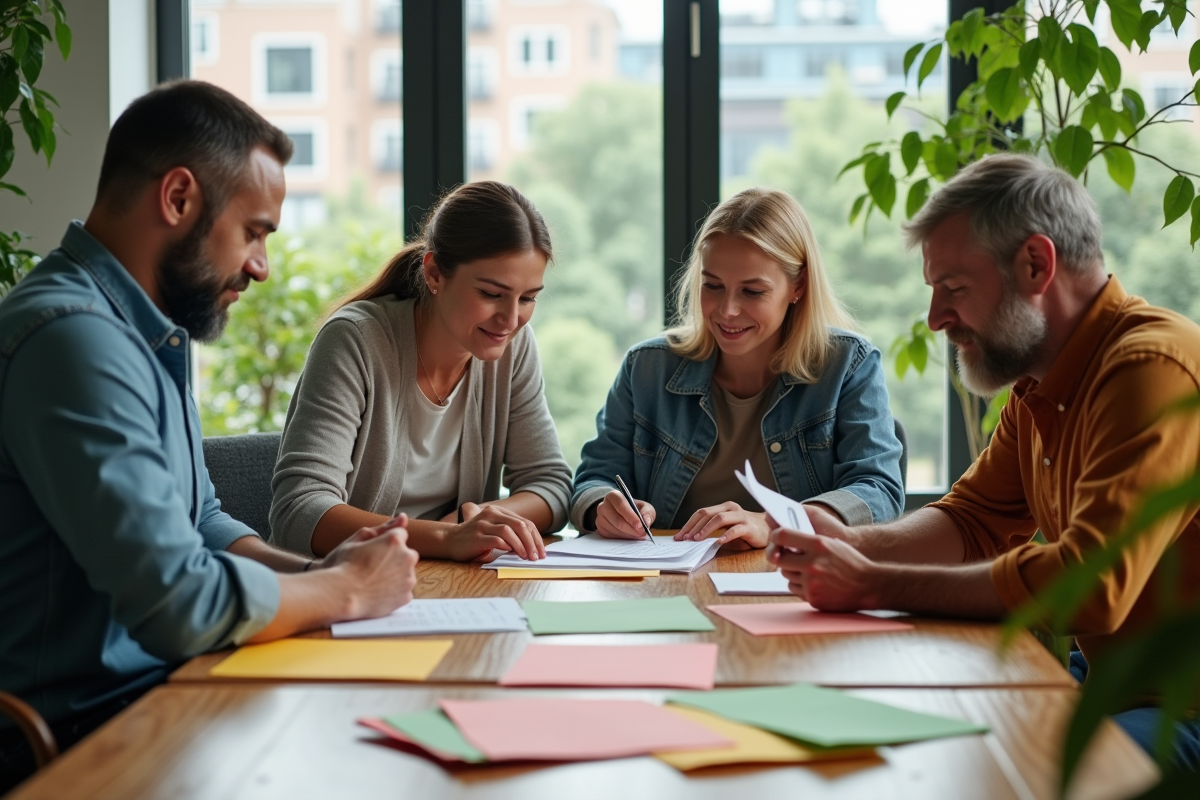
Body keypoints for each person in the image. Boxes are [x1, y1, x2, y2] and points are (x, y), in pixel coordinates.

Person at [0, 81, 420, 793]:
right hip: (78, 742)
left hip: (169, 696)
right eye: (254, 231)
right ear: (177, 199)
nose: (261, 266)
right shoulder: (72, 339)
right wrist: (345, 591)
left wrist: (315, 575)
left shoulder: (144, 330)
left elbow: (199, 520)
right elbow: (179, 604)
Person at [768, 153, 1200, 768]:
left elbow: (1093, 584)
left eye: (954, 288)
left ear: (1035, 265)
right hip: (1108, 687)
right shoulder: (1039, 383)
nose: (936, 318)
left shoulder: (1150, 368)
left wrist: (872, 581)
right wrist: (856, 544)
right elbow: (973, 520)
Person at [571, 188, 905, 548]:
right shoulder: (647, 368)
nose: (727, 310)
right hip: (667, 580)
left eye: (752, 291)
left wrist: (776, 523)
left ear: (798, 286)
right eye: (712, 285)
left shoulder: (849, 366)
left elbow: (879, 490)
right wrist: (601, 508)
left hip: (793, 579)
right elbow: (593, 479)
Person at [269, 182, 573, 562]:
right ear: (434, 274)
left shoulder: (515, 345)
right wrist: (447, 537)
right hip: (348, 583)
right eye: (492, 294)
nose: (511, 320)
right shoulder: (356, 341)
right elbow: (299, 512)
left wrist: (469, 523)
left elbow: (552, 486)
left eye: (528, 298)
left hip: (449, 582)